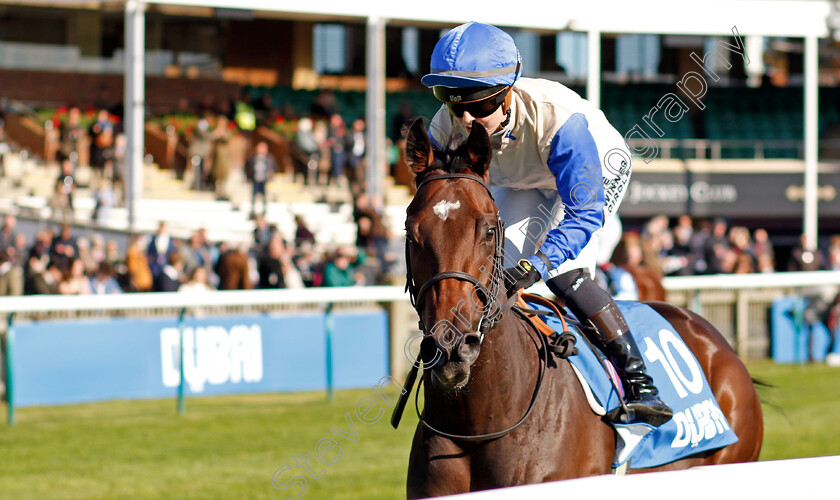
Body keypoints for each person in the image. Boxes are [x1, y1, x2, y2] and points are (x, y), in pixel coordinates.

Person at [421, 22, 671, 426]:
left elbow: (583, 213)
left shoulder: (559, 121)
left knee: (560, 270)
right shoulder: (443, 128)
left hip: (593, 168)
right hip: (523, 177)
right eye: (453, 104)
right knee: (492, 267)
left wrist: (539, 262)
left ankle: (641, 383)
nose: (465, 119)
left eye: (479, 104)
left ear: (507, 93)